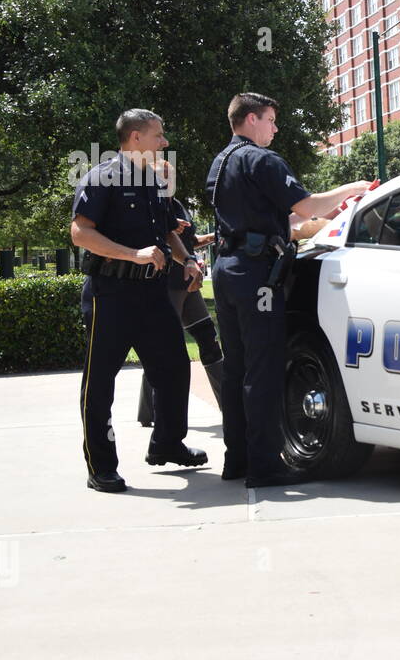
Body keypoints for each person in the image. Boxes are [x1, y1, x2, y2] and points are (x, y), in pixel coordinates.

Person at [207, 92, 369, 488]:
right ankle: (265, 466)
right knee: (262, 370)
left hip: (228, 269)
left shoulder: (222, 161)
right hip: (257, 274)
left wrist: (321, 212)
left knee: (237, 368)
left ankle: (239, 459)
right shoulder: (261, 160)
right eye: (270, 119)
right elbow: (308, 206)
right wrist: (353, 188)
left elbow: (288, 216)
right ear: (249, 119)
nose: (275, 128)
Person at [71, 109, 208, 493]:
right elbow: (80, 233)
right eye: (158, 136)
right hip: (109, 295)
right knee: (99, 383)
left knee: (175, 368)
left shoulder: (153, 180)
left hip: (151, 293)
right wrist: (134, 255)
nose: (164, 142)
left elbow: (166, 229)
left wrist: (188, 259)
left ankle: (167, 443)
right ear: (134, 137)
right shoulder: (101, 177)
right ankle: (101, 466)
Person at [137, 196, 225, 426]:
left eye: (170, 175)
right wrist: (165, 226)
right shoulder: (149, 205)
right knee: (161, 348)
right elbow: (145, 238)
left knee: (208, 340)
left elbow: (188, 241)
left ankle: (231, 407)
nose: (167, 180)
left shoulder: (177, 206)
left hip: (189, 284)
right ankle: (150, 413)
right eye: (162, 175)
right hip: (166, 285)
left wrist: (213, 238)